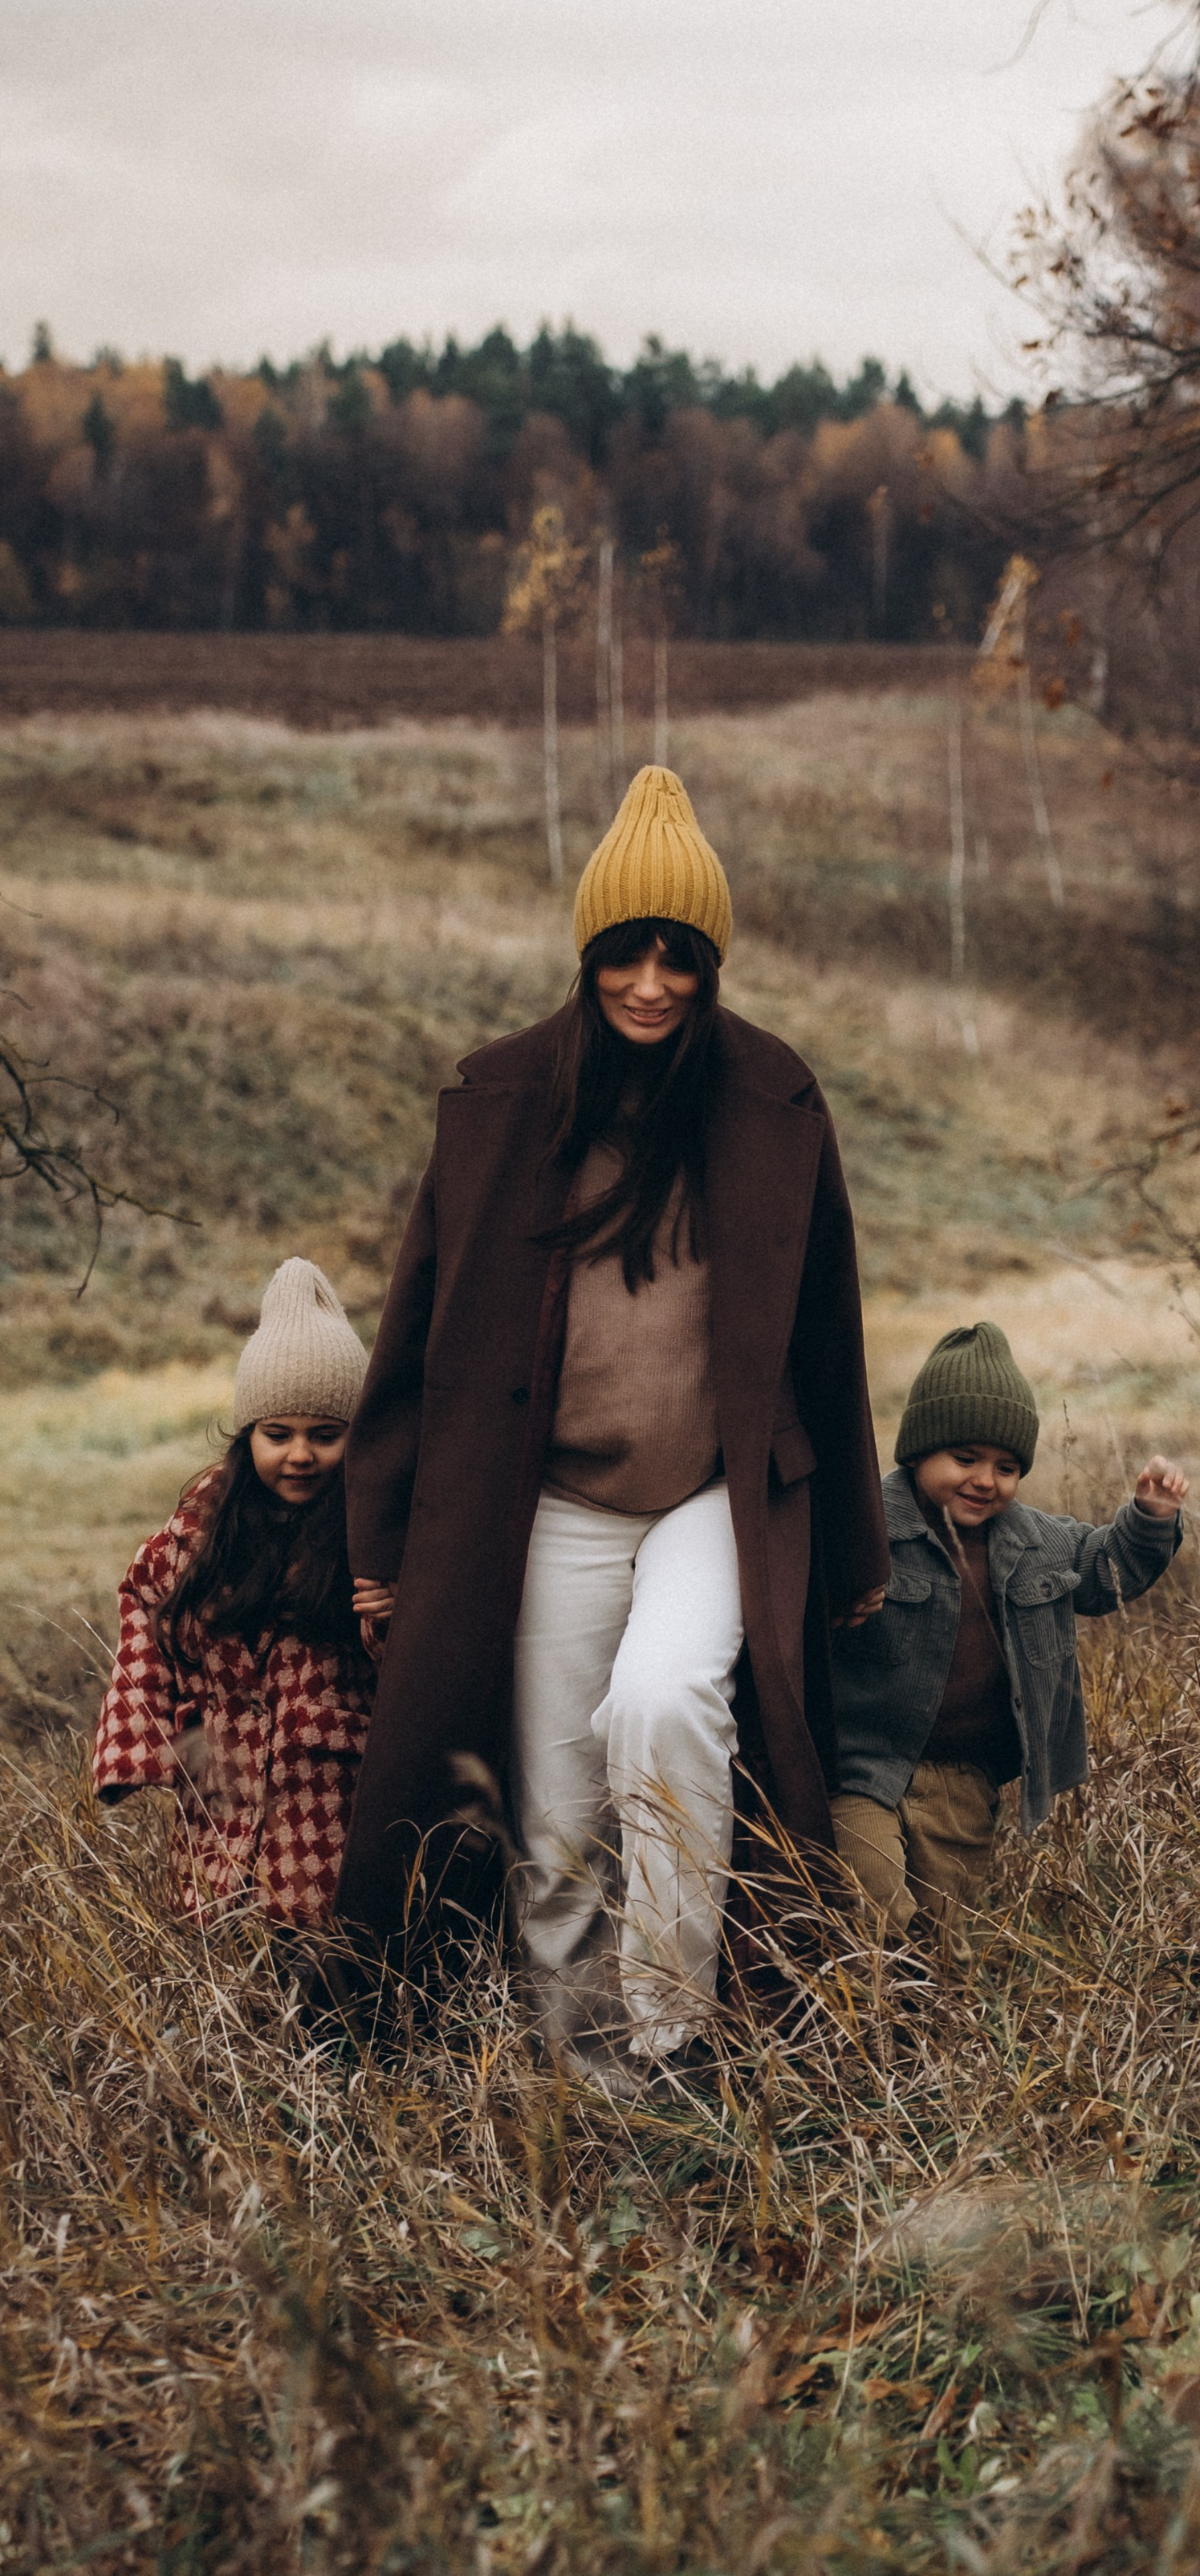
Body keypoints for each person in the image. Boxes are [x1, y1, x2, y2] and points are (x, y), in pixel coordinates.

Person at [335, 765, 889, 2084]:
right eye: (626, 955)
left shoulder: (771, 1103)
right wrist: (380, 1537)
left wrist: (856, 1552)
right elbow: (420, 1325)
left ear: (710, 963)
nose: (651, 984)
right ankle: (594, 2073)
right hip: (556, 1504)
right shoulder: (506, 1102)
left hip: (710, 1494)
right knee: (562, 1796)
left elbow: (829, 1341)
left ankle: (674, 2029)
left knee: (664, 1707)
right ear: (589, 955)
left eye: (678, 958)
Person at [830, 1320, 1186, 1944]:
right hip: (865, 1766)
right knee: (873, 1904)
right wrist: (838, 1596)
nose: (984, 1480)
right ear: (917, 1451)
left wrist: (1148, 1522)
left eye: (1006, 1466)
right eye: (964, 1459)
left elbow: (1106, 1572)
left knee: (950, 1938)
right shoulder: (865, 1528)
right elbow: (800, 1596)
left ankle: (924, 2020)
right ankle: (874, 2007)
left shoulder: (1037, 1542)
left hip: (964, 1778)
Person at [91, 1258, 383, 1925]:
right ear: (248, 1433)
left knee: (320, 1945)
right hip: (221, 1778)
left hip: (329, 1786)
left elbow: (418, 1647)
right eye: (277, 1435)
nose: (300, 1454)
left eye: (326, 1435)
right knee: (213, 1933)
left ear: (356, 1438)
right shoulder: (205, 1520)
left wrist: (387, 1617)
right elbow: (145, 1598)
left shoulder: (372, 1521)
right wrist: (138, 1743)